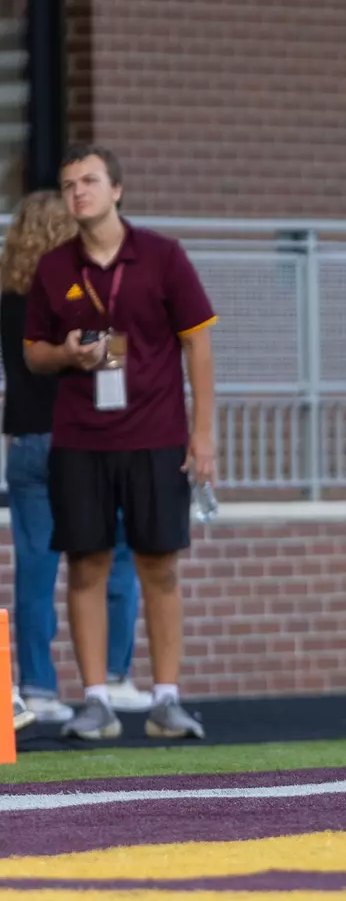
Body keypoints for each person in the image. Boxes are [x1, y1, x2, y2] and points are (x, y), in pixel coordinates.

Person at [24, 144, 217, 740]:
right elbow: (33, 353)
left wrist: (203, 432)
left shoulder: (162, 256)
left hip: (157, 436)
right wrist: (67, 354)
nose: (78, 191)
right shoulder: (55, 268)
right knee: (86, 566)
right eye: (68, 184)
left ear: (117, 190)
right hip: (79, 440)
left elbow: (199, 345)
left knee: (160, 566)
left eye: (89, 180)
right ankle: (97, 703)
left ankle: (165, 699)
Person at [2, 191, 147, 728]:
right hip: (80, 440)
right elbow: (109, 363)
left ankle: (38, 688)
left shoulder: (8, 296)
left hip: (24, 444)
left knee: (36, 570)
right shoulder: (73, 291)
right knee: (115, 554)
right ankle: (111, 677)